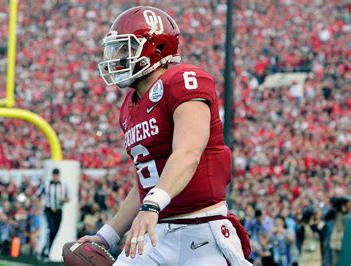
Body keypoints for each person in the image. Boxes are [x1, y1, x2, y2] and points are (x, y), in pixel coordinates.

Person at [79, 6, 250, 265]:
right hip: (154, 230)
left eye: (126, 49)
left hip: (202, 230)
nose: (118, 58)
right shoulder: (130, 105)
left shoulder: (183, 79)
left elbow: (188, 152)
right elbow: (146, 183)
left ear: (156, 48)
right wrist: (107, 236)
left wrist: (152, 206)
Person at [38, 168, 70, 260]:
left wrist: (63, 199)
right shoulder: (46, 184)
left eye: (57, 175)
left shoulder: (64, 185)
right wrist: (39, 206)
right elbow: (38, 195)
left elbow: (69, 198)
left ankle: (45, 251)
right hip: (49, 210)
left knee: (55, 232)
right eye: (54, 175)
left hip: (59, 211)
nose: (55, 177)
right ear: (52, 175)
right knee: (51, 230)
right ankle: (46, 253)